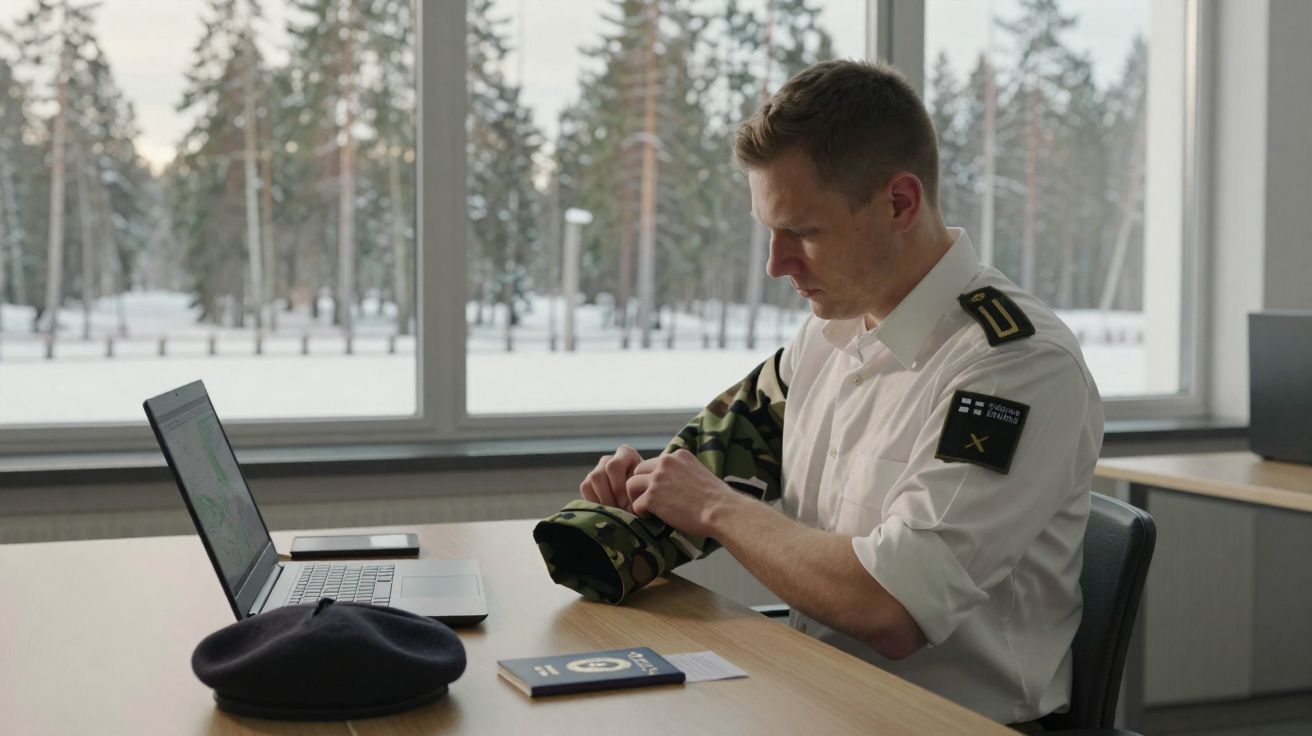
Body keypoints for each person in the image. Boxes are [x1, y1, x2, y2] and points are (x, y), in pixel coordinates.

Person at [574, 59, 1102, 727]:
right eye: (769, 230)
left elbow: (892, 608)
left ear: (899, 203)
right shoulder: (828, 333)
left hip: (954, 721)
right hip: (823, 694)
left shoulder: (1013, 364)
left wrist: (715, 509)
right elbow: (717, 460)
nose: (776, 264)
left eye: (804, 232)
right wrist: (645, 487)